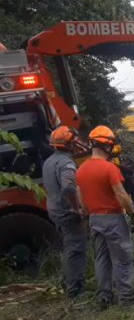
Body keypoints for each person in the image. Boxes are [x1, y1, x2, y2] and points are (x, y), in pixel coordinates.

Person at [76, 125, 134, 308]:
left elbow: (80, 198)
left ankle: (105, 294)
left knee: (101, 257)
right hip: (113, 218)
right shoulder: (109, 169)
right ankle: (126, 297)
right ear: (107, 146)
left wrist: (88, 215)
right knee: (122, 258)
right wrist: (132, 212)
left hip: (94, 218)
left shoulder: (80, 170)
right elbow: (121, 194)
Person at [42, 126, 87, 298]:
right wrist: (77, 208)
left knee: (67, 248)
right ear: (68, 144)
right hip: (66, 212)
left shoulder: (48, 162)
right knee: (76, 248)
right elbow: (68, 188)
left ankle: (68, 281)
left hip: (54, 210)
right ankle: (75, 289)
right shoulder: (66, 164)